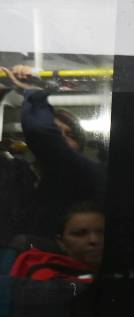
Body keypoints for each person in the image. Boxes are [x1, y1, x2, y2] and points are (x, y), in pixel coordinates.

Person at [1, 65, 106, 238]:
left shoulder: (87, 174)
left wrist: (35, 92)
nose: (60, 137)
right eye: (56, 131)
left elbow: (40, 132)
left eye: (69, 134)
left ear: (79, 147)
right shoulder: (18, 175)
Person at [10, 202, 104, 281]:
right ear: (61, 242)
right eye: (80, 233)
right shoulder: (47, 274)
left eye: (102, 233)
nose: (94, 240)